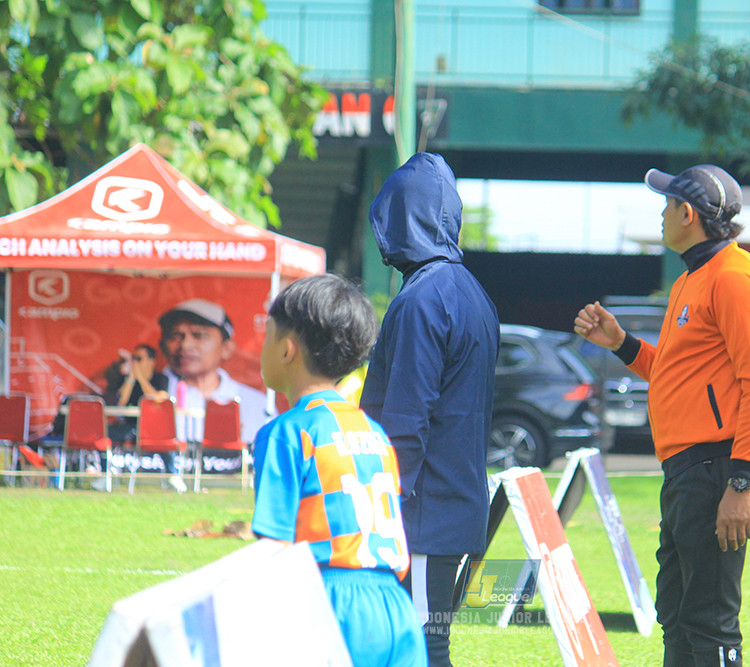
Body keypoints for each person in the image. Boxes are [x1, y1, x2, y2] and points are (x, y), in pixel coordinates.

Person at [574, 164, 750, 667]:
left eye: (666, 204)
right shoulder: (693, 278)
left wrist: (742, 484)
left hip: (715, 471)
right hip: (687, 473)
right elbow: (677, 375)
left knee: (710, 621)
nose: (660, 213)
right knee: (677, 615)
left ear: (688, 213)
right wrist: (622, 344)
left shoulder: (736, 275)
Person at [360, 152, 500, 667]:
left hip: (420, 511)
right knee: (423, 636)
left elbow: (406, 418)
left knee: (418, 641)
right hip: (450, 504)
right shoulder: (473, 293)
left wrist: (381, 505)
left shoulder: (423, 298)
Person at [251, 273, 427, 667]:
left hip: (329, 601)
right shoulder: (375, 433)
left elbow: (273, 547)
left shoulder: (286, 432)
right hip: (395, 606)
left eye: (267, 337)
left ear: (286, 350)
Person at [158, 298, 268, 445]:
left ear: (226, 348)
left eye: (199, 335)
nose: (185, 345)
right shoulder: (149, 396)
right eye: (176, 336)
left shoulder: (257, 405)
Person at [106, 344, 169, 446]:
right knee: (107, 432)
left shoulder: (161, 379)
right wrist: (131, 379)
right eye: (133, 359)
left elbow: (158, 400)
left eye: (139, 359)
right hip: (130, 425)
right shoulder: (127, 379)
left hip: (153, 427)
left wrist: (140, 377)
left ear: (151, 361)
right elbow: (119, 402)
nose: (135, 363)